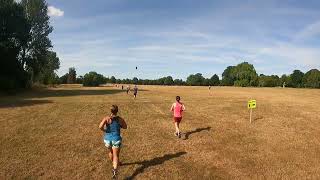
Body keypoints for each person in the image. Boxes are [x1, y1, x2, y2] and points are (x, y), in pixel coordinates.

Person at [99, 105, 127, 179]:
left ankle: (115, 163)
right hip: (116, 139)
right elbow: (125, 127)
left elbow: (100, 126)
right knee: (116, 155)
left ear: (111, 111)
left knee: (111, 152)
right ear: (117, 111)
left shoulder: (106, 118)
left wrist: (105, 130)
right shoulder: (120, 119)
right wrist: (120, 125)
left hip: (107, 140)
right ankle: (115, 169)